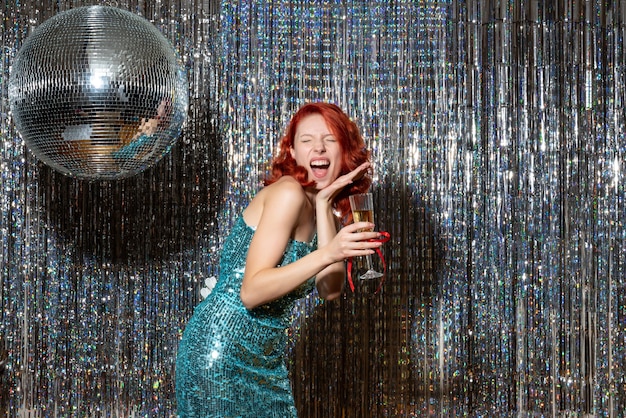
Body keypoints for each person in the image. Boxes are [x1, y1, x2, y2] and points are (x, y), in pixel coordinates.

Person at [175, 102, 384, 417]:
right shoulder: (289, 193)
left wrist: (327, 207)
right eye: (307, 140)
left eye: (329, 139)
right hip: (221, 353)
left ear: (345, 149)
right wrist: (330, 252)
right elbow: (252, 292)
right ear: (293, 153)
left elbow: (330, 289)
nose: (319, 147)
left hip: (266, 359)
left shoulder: (320, 206)